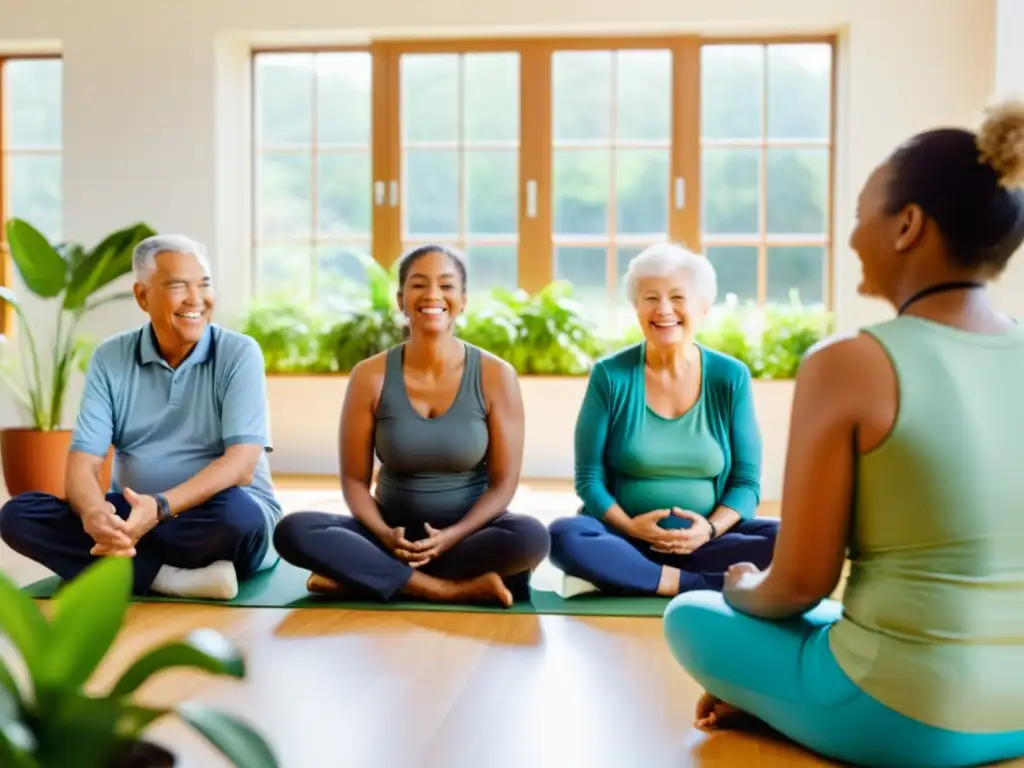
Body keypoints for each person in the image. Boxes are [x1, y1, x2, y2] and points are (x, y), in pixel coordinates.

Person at [662, 100, 1024, 768]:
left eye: (863, 213)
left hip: (912, 717)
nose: (854, 235)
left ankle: (776, 704)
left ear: (908, 225)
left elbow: (800, 586)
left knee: (692, 615)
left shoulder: (849, 362)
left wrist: (742, 585)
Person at [0, 234, 281, 600]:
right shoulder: (111, 358)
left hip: (215, 516)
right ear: (142, 296)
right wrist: (94, 515)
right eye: (179, 286)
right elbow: (82, 465)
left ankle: (127, 566)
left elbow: (241, 465)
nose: (196, 299)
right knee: (20, 515)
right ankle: (168, 578)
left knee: (235, 517)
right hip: (136, 514)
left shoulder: (239, 353)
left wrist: (161, 508)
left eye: (204, 284)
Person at [272, 245, 550, 607]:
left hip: (469, 535)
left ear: (463, 300)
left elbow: (503, 486)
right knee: (294, 530)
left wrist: (451, 536)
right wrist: (385, 535)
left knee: (530, 537)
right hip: (390, 535)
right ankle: (447, 588)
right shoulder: (369, 376)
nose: (433, 294)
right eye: (419, 285)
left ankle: (364, 578)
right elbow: (355, 482)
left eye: (446, 286)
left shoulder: (496, 376)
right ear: (402, 300)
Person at [547, 242, 778, 597]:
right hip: (625, 539)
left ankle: (643, 578)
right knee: (564, 535)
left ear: (702, 307)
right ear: (637, 308)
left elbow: (747, 482)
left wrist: (709, 530)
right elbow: (589, 479)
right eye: (650, 297)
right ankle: (696, 584)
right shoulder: (610, 376)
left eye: (677, 297)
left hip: (708, 543)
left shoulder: (730, 377)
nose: (664, 309)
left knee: (789, 538)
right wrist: (632, 527)